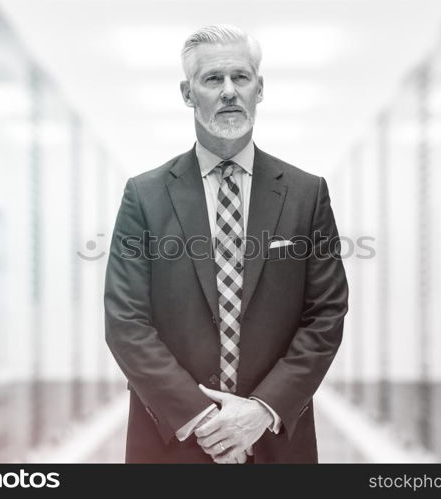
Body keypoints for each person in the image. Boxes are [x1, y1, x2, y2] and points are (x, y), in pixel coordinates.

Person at [104, 24, 348, 463]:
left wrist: (260, 410)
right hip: (172, 442)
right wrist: (203, 420)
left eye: (242, 77)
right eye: (213, 79)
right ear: (187, 92)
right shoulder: (145, 195)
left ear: (260, 88)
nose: (230, 91)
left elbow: (325, 314)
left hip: (275, 440)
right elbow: (126, 322)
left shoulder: (306, 194)